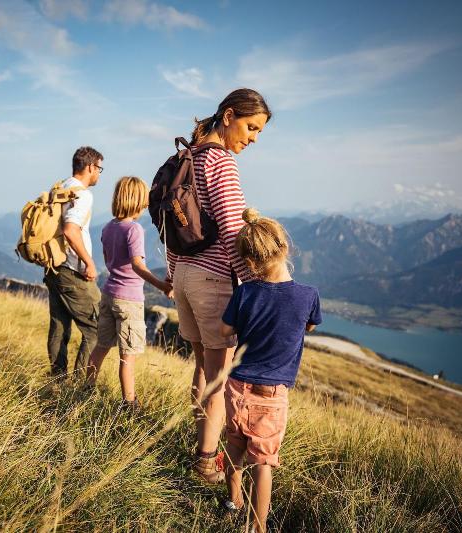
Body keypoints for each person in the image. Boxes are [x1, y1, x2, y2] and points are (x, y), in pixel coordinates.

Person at [165, 88, 271, 482]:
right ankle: (206, 462)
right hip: (212, 280)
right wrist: (254, 286)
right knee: (219, 377)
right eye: (251, 127)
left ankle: (202, 446)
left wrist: (175, 273)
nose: (253, 138)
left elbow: (171, 225)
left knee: (202, 369)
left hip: (185, 276)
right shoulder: (221, 161)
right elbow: (231, 229)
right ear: (228, 116)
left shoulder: (189, 155)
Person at [219, 208, 322, 533]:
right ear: (285, 247)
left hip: (236, 386)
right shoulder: (308, 296)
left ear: (250, 262)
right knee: (262, 462)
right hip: (271, 394)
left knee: (234, 447)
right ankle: (258, 526)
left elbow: (225, 331)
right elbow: (309, 326)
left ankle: (233, 503)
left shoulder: (245, 292)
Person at [85, 176, 172, 409]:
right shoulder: (134, 229)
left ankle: (87, 389)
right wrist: (162, 285)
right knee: (127, 357)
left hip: (109, 293)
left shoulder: (108, 227)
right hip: (129, 300)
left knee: (101, 346)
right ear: (138, 201)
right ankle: (129, 404)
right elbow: (137, 264)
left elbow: (108, 260)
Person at [43, 146, 103, 378]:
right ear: (90, 167)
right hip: (72, 271)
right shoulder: (82, 194)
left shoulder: (59, 188)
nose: (99, 174)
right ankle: (80, 385)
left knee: (59, 326)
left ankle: (58, 380)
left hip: (53, 267)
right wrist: (89, 262)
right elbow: (70, 230)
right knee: (97, 328)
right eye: (99, 169)